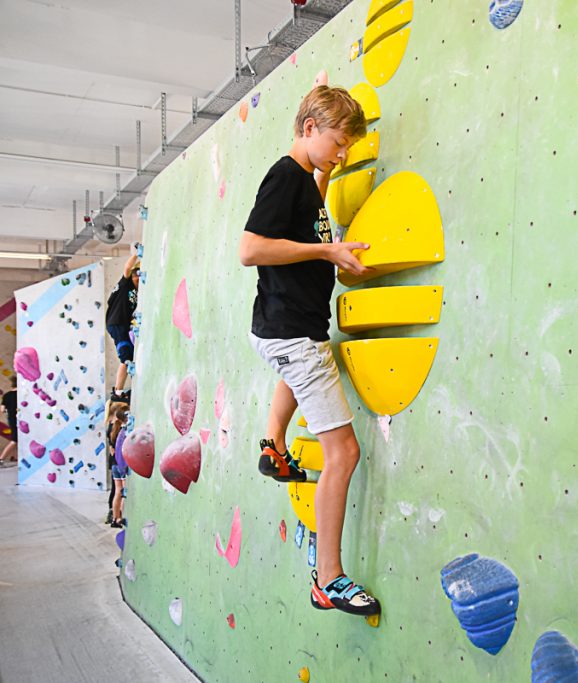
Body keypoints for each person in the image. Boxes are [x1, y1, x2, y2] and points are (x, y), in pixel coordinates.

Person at [238, 85, 380, 619]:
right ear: (307, 130)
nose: (342, 155)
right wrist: (328, 249)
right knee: (344, 454)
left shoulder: (304, 179)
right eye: (338, 144)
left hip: (281, 329)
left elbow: (310, 204)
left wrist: (326, 173)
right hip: (294, 333)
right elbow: (250, 249)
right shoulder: (283, 177)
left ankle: (272, 443)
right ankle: (329, 579)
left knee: (293, 375)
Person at [106, 245, 141, 400]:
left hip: (121, 324)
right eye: (137, 275)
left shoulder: (137, 292)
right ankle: (118, 393)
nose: (139, 279)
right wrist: (136, 254)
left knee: (130, 355)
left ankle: (121, 391)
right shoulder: (125, 284)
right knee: (126, 357)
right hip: (117, 323)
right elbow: (127, 268)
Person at [105, 401, 129, 528]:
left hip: (114, 464)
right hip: (122, 464)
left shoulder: (111, 427)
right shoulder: (123, 429)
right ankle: (123, 518)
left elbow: (111, 448)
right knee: (124, 492)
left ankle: (116, 518)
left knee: (118, 491)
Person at [0, 377, 17, 466]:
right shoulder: (22, 395)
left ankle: (14, 456)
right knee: (15, 439)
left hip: (11, 419)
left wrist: (9, 411)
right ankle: (1, 458)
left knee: (15, 437)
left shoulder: (6, 395)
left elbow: (2, 409)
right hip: (21, 419)